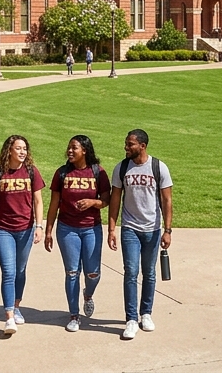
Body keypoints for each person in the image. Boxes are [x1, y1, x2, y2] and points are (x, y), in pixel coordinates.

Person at [108, 129, 173, 341]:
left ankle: (146, 313)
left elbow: (167, 201)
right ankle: (131, 319)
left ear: (142, 146)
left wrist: (167, 230)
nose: (126, 147)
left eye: (130, 144)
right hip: (130, 228)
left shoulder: (158, 167)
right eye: (126, 144)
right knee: (131, 272)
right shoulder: (122, 167)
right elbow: (115, 199)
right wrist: (111, 228)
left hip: (152, 229)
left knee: (149, 273)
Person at [45, 135, 109, 332]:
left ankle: (88, 294)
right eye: (69, 148)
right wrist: (48, 231)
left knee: (93, 273)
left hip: (91, 228)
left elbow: (106, 200)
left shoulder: (98, 172)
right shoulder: (62, 173)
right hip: (67, 229)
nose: (70, 151)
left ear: (85, 151)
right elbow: (54, 203)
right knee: (72, 272)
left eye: (74, 148)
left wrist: (92, 202)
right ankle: (74, 315)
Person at [0, 135, 45, 337]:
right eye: (18, 148)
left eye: (25, 148)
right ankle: (9, 316)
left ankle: (16, 305)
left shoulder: (31, 171)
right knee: (9, 272)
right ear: (9, 150)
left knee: (20, 270)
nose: (22, 152)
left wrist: (39, 226)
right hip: (3, 229)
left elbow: (38, 201)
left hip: (26, 230)